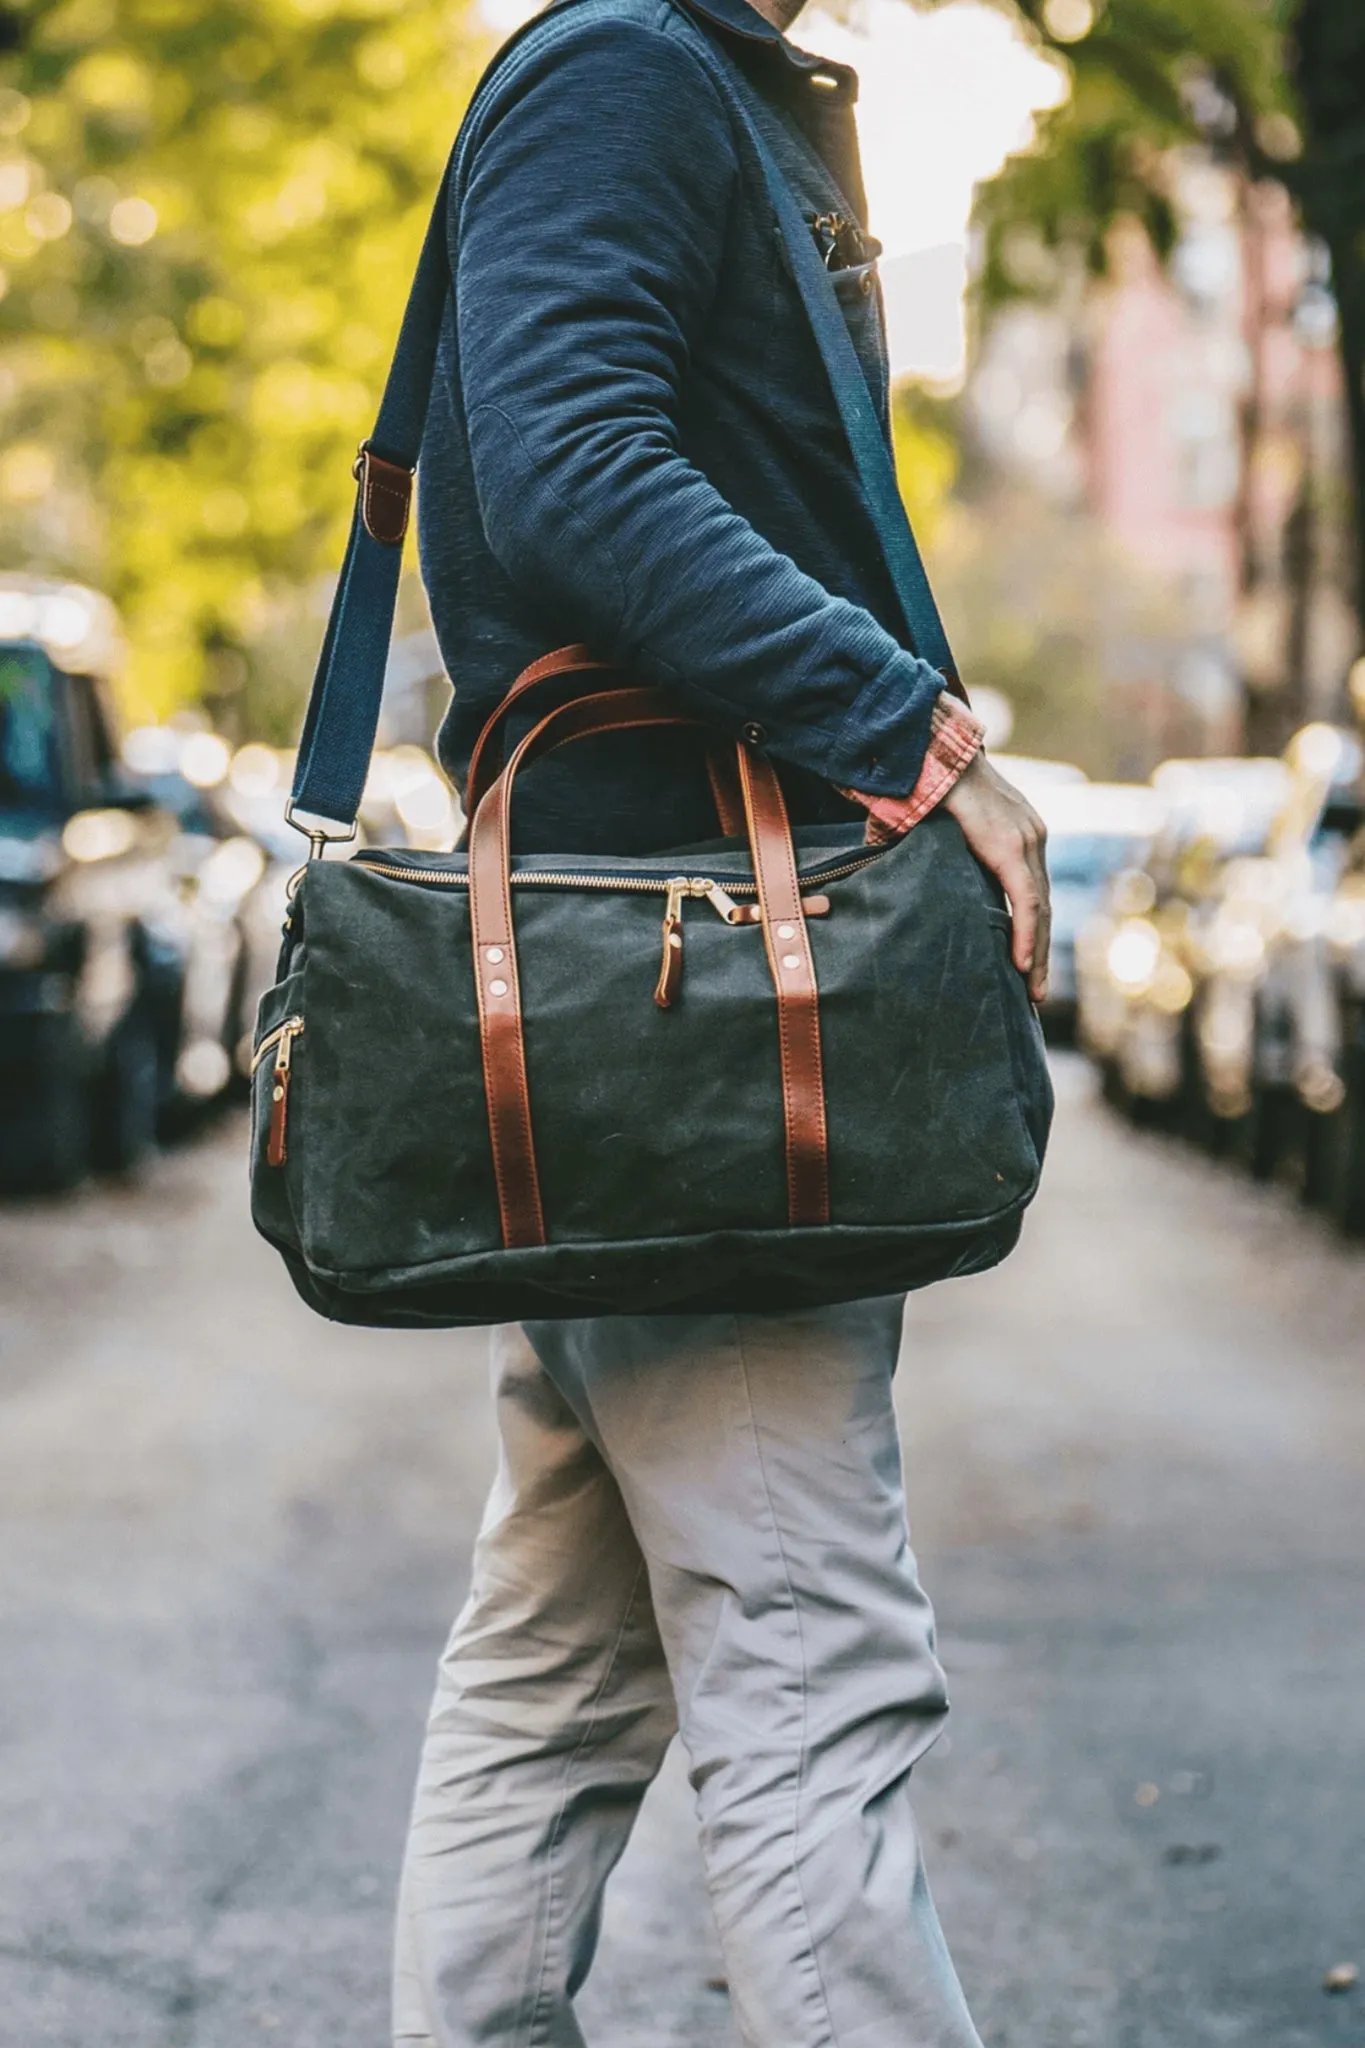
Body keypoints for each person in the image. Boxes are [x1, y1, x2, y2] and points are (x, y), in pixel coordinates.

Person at [393, 0, 1050, 2039]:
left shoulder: (663, 76)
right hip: (703, 1005)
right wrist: (918, 738)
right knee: (809, 1674)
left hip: (656, 989)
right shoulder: (627, 75)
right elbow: (576, 470)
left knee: (558, 1670)